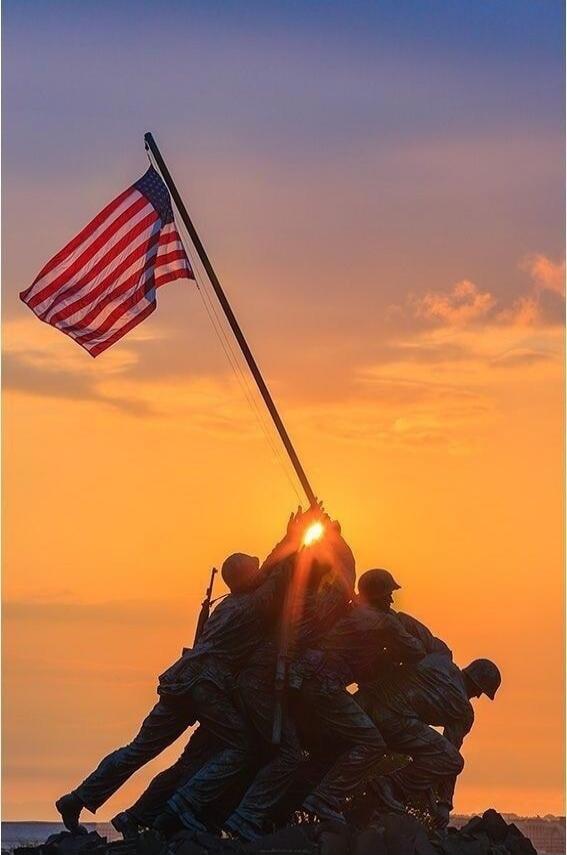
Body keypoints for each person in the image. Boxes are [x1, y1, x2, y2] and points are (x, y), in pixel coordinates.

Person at [56, 508, 316, 833]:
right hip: (207, 685)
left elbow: (266, 572)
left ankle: (77, 798)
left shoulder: (231, 602)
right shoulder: (253, 605)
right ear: (248, 579)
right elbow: (281, 575)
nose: (258, 571)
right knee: (241, 746)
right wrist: (298, 538)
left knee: (138, 749)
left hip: (180, 679)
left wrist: (290, 536)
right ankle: (183, 805)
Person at [356, 654, 502, 828]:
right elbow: (449, 756)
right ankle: (390, 785)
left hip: (369, 704)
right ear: (477, 686)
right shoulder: (463, 709)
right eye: (481, 692)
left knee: (434, 752)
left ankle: (385, 798)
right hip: (393, 721)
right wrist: (444, 803)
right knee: (452, 760)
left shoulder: (441, 660)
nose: (477, 696)